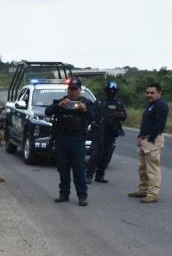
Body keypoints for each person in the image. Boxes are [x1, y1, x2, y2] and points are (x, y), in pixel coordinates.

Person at [45, 78, 94, 206]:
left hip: (78, 139)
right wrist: (58, 106)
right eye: (70, 89)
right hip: (62, 138)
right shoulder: (61, 101)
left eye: (75, 89)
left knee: (78, 169)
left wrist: (85, 110)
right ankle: (64, 194)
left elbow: (96, 117)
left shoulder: (86, 103)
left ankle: (82, 196)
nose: (72, 92)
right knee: (63, 168)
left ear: (80, 90)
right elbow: (48, 112)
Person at [129, 82, 168, 203]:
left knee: (152, 169)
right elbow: (146, 124)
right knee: (142, 167)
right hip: (144, 140)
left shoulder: (161, 105)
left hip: (153, 140)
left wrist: (150, 139)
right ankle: (143, 189)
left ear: (159, 93)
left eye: (152, 92)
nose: (149, 95)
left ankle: (153, 193)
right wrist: (140, 137)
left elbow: (159, 125)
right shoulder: (151, 105)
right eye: (148, 92)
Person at [86, 80, 127, 184]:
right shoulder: (99, 102)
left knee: (107, 156)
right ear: (106, 90)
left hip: (111, 132)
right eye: (110, 90)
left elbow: (124, 117)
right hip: (99, 131)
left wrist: (120, 115)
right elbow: (92, 115)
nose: (111, 92)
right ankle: (88, 176)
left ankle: (100, 175)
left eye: (113, 90)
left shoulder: (119, 103)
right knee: (95, 155)